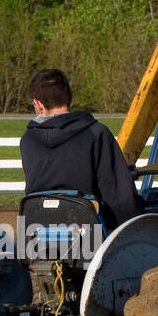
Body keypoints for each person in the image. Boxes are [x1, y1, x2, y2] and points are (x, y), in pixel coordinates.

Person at [19, 68, 144, 230]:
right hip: (88, 236)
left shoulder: (27, 140)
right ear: (68, 98)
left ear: (38, 104)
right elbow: (120, 200)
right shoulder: (96, 133)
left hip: (38, 235)